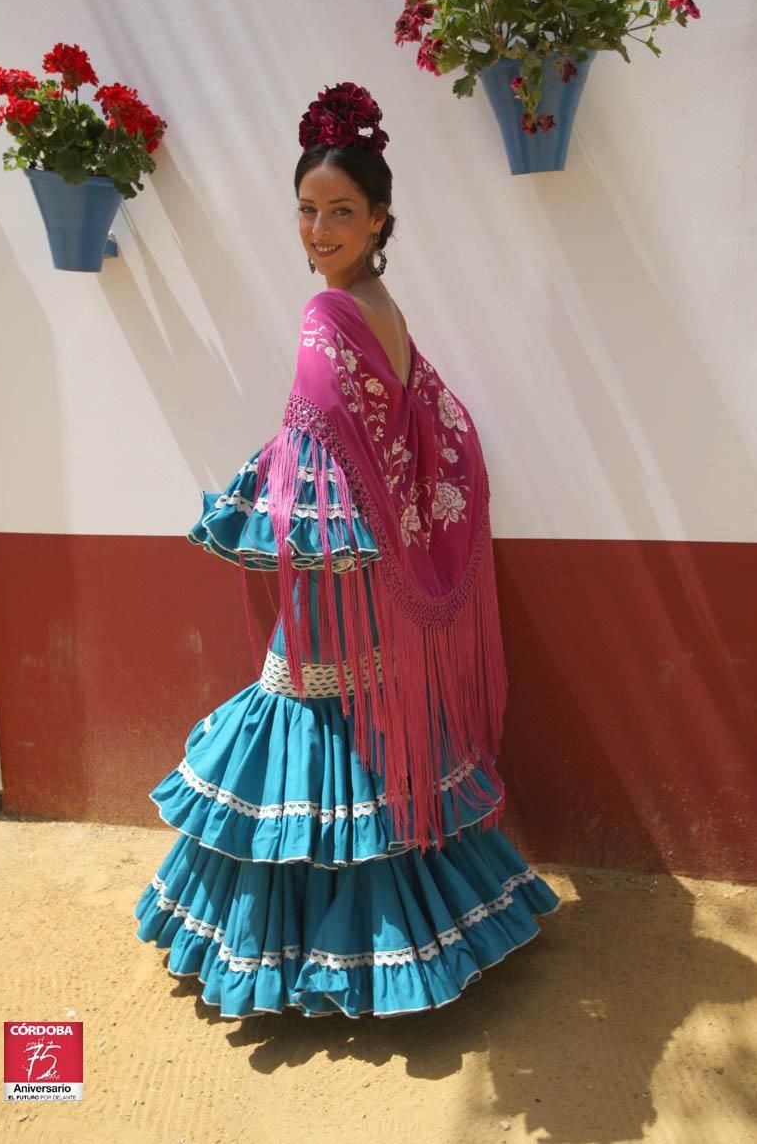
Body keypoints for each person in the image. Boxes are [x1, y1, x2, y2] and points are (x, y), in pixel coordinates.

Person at [134, 81, 560, 1019]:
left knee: (306, 707)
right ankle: (424, 925)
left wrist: (267, 495)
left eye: (339, 212)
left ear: (379, 218)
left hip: (330, 560)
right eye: (306, 210)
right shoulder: (384, 308)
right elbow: (427, 429)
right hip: (367, 560)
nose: (318, 228)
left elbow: (318, 435)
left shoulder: (330, 315)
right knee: (360, 714)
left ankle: (311, 952)